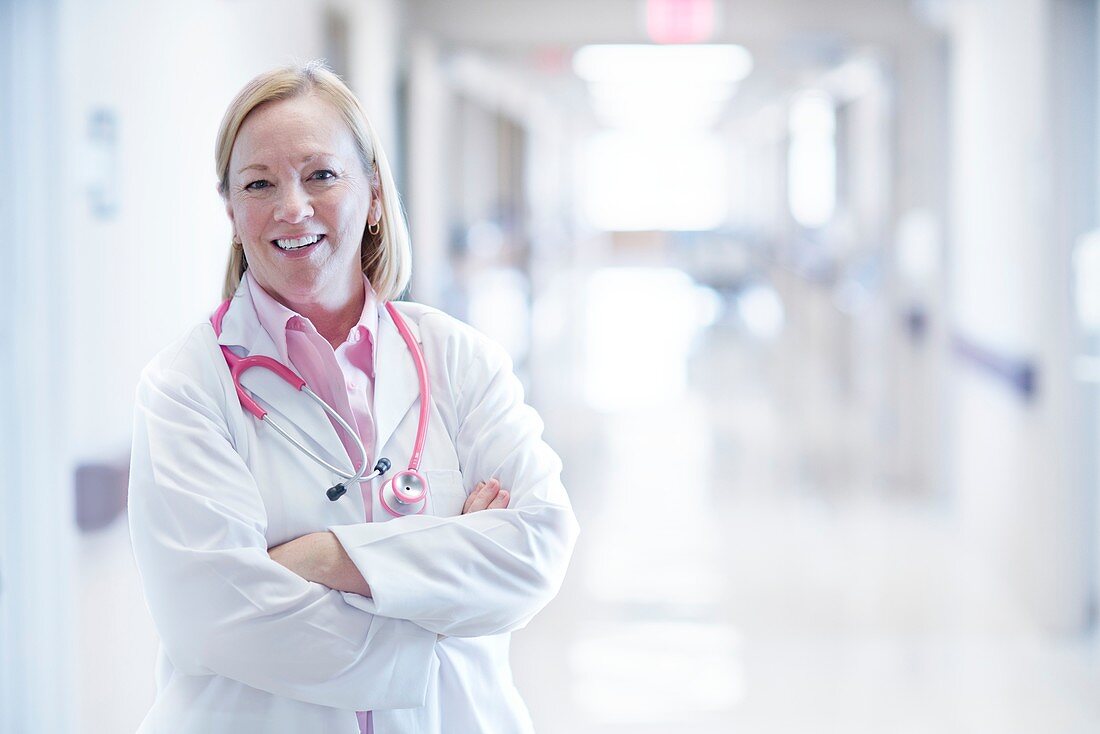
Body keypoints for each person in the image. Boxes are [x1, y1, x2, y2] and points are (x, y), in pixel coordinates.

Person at [127, 60, 579, 734]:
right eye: (259, 183)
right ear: (231, 212)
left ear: (372, 193)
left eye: (321, 174)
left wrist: (323, 559)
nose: (291, 207)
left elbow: (537, 546)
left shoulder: (456, 358)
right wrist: (443, 586)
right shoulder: (187, 389)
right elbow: (218, 619)